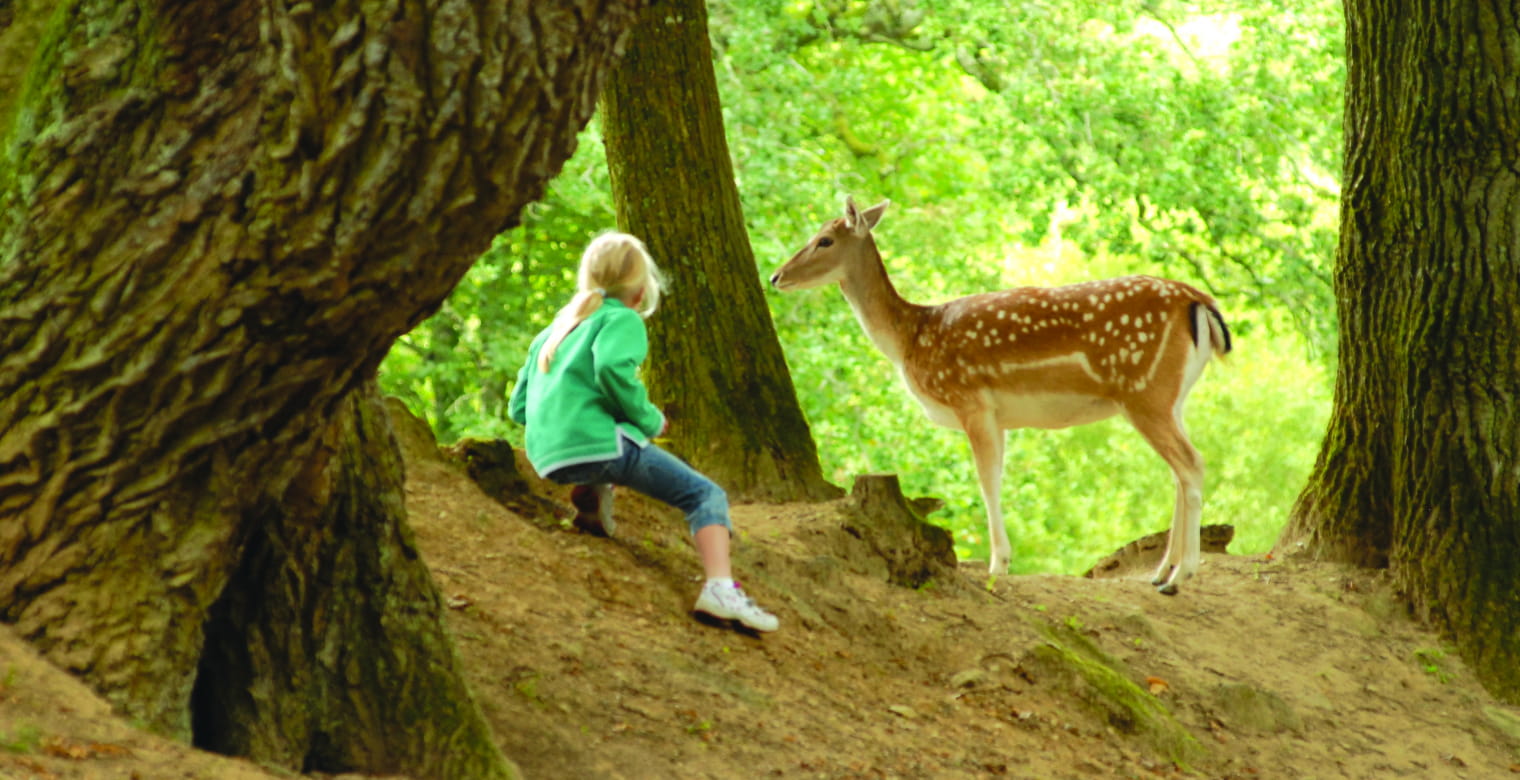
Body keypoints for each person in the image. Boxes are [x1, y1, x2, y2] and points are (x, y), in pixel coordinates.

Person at [507, 232, 779, 633]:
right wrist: (649, 420)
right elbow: (611, 370)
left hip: (549, 455)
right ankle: (722, 588)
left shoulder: (554, 331)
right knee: (705, 494)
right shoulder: (622, 319)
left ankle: (592, 499)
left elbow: (517, 408)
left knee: (608, 449)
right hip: (597, 446)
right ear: (639, 290)